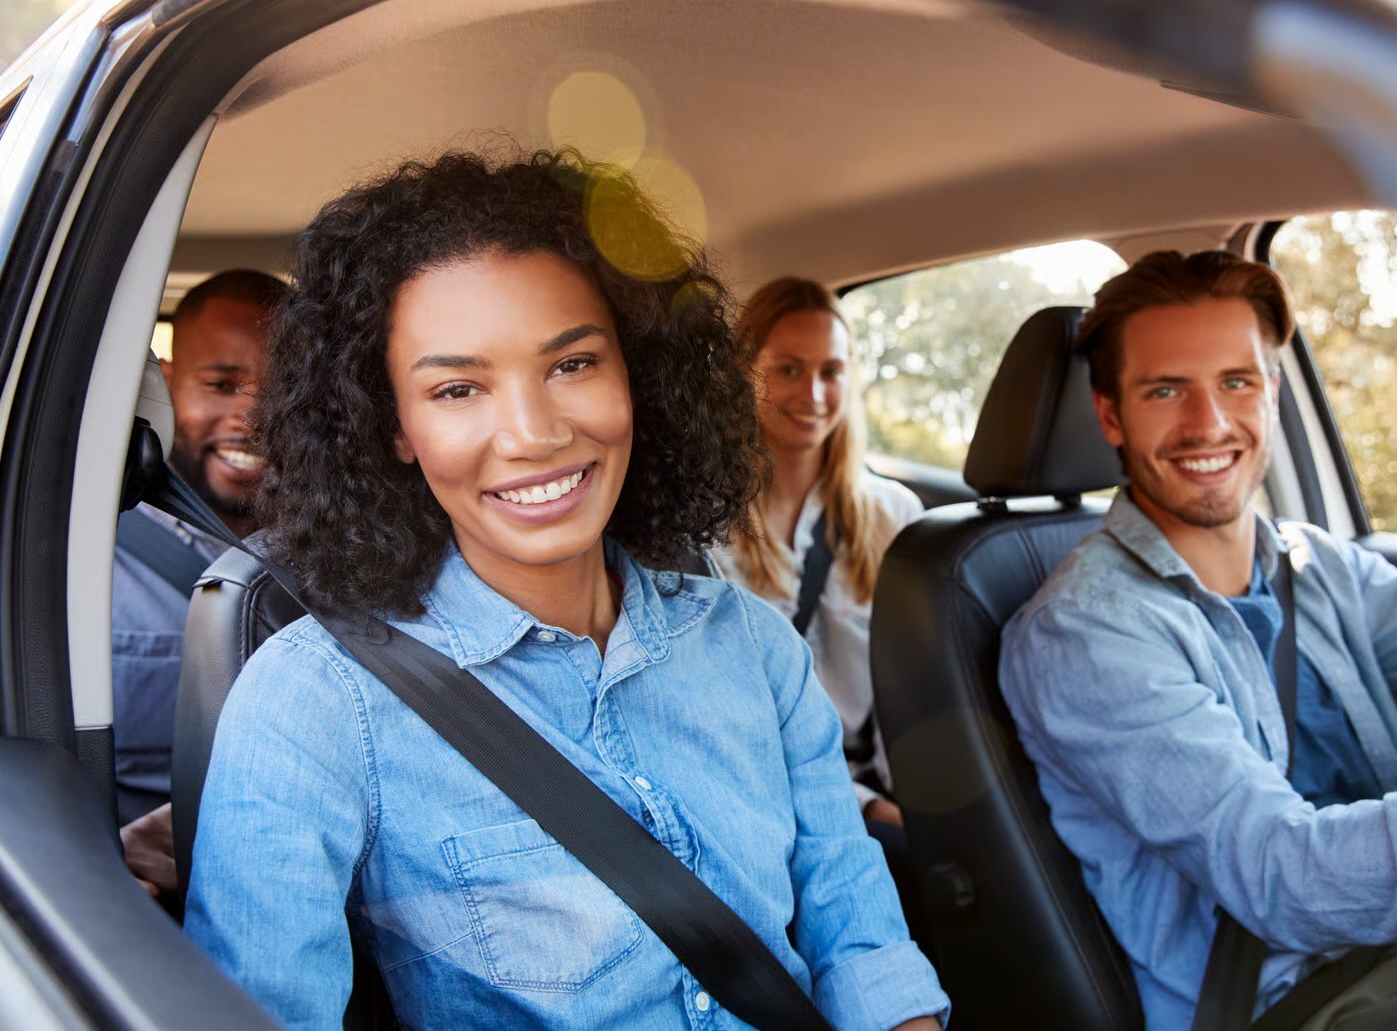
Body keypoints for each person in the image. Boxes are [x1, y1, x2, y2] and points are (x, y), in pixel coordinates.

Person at [182, 150, 948, 1030]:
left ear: (638, 375)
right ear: (393, 425)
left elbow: (862, 948)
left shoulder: (757, 647)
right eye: (459, 388)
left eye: (572, 364)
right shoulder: (313, 703)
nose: (533, 434)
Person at [998, 250, 1397, 1030]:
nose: (1208, 424)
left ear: (1274, 393)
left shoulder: (1316, 566)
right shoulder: (1082, 632)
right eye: (1166, 390)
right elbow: (1286, 879)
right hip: (1295, 1000)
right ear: (1111, 414)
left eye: (1236, 382)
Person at [713, 277, 922, 826]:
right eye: (788, 369)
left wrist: (917, 804)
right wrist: (866, 808)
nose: (813, 395)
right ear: (743, 372)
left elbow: (916, 684)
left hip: (889, 788)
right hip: (766, 798)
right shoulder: (704, 529)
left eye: (831, 372)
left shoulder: (893, 514)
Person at [113, 270, 283, 897]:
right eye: (221, 384)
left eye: (282, 389)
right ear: (162, 380)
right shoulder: (80, 560)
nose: (253, 416)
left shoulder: (356, 563)